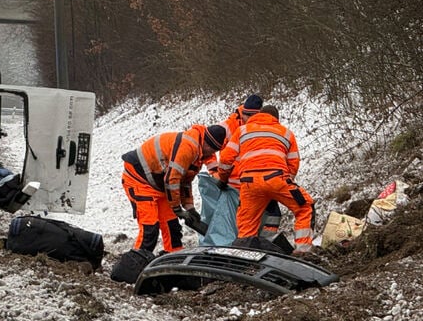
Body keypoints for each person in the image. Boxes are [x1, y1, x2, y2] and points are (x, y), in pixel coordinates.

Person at [216, 104, 315, 254]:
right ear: (276, 119)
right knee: (305, 206)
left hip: (249, 184)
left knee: (247, 228)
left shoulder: (242, 130)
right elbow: (293, 164)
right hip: (277, 179)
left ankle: (246, 259)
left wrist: (223, 179)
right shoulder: (286, 133)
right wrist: (282, 185)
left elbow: (225, 158)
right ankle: (303, 251)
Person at [121, 124, 227, 253]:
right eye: (212, 149)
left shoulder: (199, 153)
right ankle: (134, 265)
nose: (212, 153)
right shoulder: (188, 147)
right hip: (139, 179)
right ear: (206, 142)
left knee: (172, 226)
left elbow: (185, 181)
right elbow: (172, 180)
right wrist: (177, 208)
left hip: (159, 185)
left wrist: (189, 207)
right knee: (150, 229)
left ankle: (173, 255)